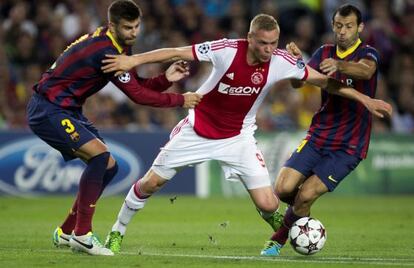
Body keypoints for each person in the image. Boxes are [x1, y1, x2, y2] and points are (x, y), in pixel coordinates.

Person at [100, 13, 392, 254]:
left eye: (273, 43)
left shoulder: (281, 61)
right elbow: (177, 51)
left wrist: (366, 100)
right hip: (197, 130)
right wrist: (132, 61)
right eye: (263, 43)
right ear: (250, 39)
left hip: (238, 138)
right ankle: (117, 232)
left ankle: (285, 231)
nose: (269, 49)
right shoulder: (226, 50)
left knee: (269, 203)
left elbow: (325, 83)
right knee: (150, 183)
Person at [26, 0, 202, 256]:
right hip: (49, 109)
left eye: (137, 26)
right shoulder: (106, 51)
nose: (134, 32)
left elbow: (136, 86)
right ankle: (82, 235)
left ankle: (67, 231)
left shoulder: (118, 46)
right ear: (113, 25)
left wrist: (166, 79)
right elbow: (139, 97)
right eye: (128, 27)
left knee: (109, 166)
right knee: (100, 157)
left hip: (66, 109)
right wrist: (180, 100)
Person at [259, 4, 386, 256]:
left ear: (359, 27)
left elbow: (366, 70)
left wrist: (339, 66)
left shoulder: (368, 53)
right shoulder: (324, 51)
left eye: (349, 26)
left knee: (306, 193)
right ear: (332, 26)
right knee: (283, 189)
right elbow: (298, 83)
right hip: (319, 136)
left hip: (349, 146)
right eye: (338, 26)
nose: (342, 31)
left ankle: (278, 238)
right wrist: (298, 63)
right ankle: (300, 214)